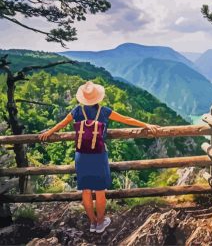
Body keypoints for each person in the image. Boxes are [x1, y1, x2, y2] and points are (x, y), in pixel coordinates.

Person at [38, 81, 160, 233]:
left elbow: (61, 124)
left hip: (81, 155)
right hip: (98, 155)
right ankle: (101, 223)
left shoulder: (77, 110)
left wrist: (49, 132)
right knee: (100, 191)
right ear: (98, 98)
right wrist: (146, 125)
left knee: (86, 191)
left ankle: (93, 223)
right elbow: (126, 119)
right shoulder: (104, 111)